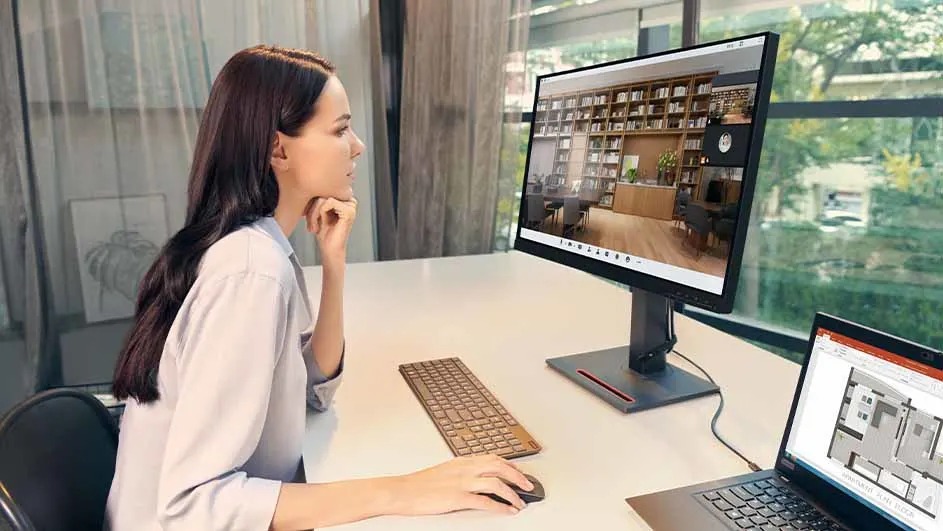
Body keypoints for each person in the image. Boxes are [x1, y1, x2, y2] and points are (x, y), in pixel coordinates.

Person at [104, 45, 533, 531]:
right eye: (339, 129)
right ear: (277, 149)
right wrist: (403, 490)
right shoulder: (250, 272)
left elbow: (309, 387)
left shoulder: (251, 247)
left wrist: (334, 264)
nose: (357, 145)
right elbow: (195, 506)